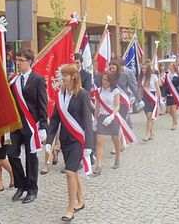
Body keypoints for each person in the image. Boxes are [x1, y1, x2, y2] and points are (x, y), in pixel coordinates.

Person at [46, 64, 94, 222]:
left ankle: (70, 208)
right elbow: (55, 119)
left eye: (65, 75)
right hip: (65, 140)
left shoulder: (83, 95)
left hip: (78, 140)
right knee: (73, 173)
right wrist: (49, 141)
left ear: (73, 76)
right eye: (62, 75)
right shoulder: (60, 95)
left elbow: (87, 120)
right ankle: (81, 201)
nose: (63, 78)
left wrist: (88, 145)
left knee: (69, 173)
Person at [8, 49, 48, 204]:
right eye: (17, 60)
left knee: (31, 158)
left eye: (21, 60)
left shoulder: (37, 79)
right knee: (11, 154)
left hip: (32, 124)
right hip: (16, 124)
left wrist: (43, 126)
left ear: (29, 61)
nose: (18, 63)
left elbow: (42, 103)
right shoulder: (14, 80)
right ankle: (21, 184)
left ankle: (32, 189)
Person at [94, 71, 121, 174]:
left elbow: (117, 106)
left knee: (115, 140)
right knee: (99, 141)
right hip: (101, 117)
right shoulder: (99, 91)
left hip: (112, 117)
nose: (104, 81)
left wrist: (112, 116)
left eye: (106, 79)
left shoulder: (115, 91)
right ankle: (99, 165)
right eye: (103, 79)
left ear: (110, 81)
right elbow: (97, 106)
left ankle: (118, 155)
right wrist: (95, 119)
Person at [138, 62, 161, 141]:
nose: (143, 70)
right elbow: (140, 89)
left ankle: (147, 134)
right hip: (145, 97)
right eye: (142, 68)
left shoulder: (154, 77)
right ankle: (152, 132)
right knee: (148, 117)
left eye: (145, 68)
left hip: (152, 97)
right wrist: (139, 99)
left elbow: (157, 88)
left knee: (149, 116)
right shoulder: (141, 77)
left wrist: (160, 99)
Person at [164, 62, 179, 130]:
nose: (170, 66)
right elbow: (165, 85)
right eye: (170, 65)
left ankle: (174, 124)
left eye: (171, 65)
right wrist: (164, 94)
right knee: (169, 110)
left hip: (175, 95)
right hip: (168, 95)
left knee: (173, 109)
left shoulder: (177, 76)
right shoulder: (167, 75)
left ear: (174, 67)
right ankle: (175, 119)